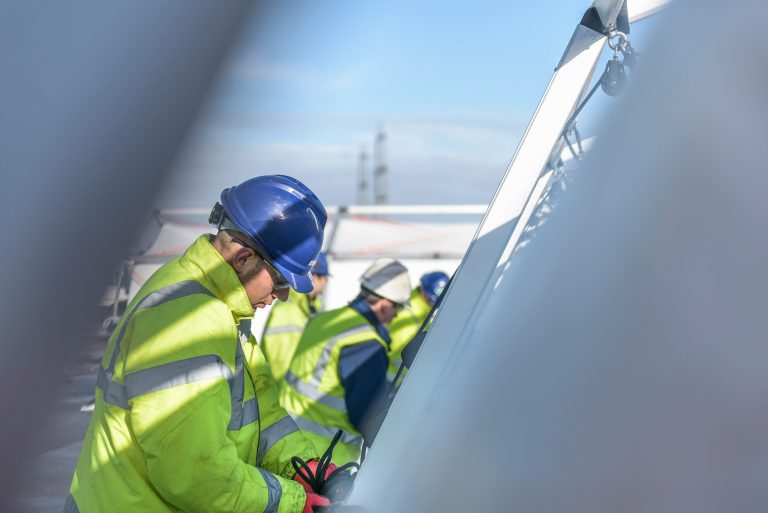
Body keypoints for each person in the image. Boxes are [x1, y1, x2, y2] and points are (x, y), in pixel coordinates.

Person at [65, 175, 333, 513]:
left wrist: (307, 468)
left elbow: (262, 415)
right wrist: (293, 503)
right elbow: (195, 472)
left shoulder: (222, 310)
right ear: (244, 258)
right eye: (281, 280)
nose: (283, 296)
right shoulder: (188, 321)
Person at [279, 258, 411, 464]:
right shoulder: (366, 343)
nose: (396, 316)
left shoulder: (324, 319)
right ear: (385, 304)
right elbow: (368, 417)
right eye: (398, 308)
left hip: (283, 441)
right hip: (322, 462)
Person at [261, 252, 330, 381]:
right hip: (280, 393)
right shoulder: (288, 311)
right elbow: (279, 363)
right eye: (325, 278)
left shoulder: (307, 309)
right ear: (315, 277)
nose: (326, 284)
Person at [386, 271, 449, 382]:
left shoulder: (421, 313)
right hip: (396, 384)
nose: (434, 305)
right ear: (423, 292)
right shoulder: (406, 319)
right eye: (432, 301)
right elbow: (400, 358)